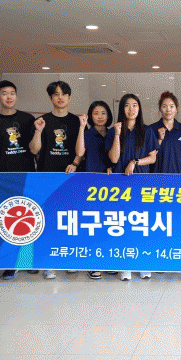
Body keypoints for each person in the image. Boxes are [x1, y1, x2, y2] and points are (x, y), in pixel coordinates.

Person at [0, 80, 36, 280]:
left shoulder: (27, 119)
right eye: (4, 93)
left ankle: (27, 260)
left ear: (16, 95)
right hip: (0, 179)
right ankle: (10, 263)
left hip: (25, 176)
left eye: (12, 93)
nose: (9, 97)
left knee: (29, 218)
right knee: (7, 221)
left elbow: (35, 149)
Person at [29, 81, 84, 279]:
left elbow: (81, 151)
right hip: (47, 176)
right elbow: (34, 150)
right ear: (51, 97)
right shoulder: (42, 121)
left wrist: (75, 163)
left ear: (69, 97)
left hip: (70, 178)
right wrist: (38, 131)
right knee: (49, 219)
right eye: (56, 94)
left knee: (70, 219)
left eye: (64, 94)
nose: (60, 98)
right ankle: (49, 262)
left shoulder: (76, 121)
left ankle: (69, 258)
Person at [106, 93, 158, 281]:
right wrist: (117, 134)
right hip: (120, 184)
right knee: (123, 224)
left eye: (135, 105)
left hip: (141, 183)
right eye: (127, 105)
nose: (131, 109)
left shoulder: (147, 131)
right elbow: (113, 159)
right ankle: (125, 265)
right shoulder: (114, 131)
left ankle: (143, 263)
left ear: (139, 108)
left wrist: (135, 162)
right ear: (122, 109)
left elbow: (152, 157)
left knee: (142, 224)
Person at [76, 101, 113, 280]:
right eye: (96, 113)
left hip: (111, 184)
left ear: (108, 115)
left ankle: (108, 260)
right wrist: (81, 127)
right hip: (91, 183)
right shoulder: (87, 133)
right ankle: (93, 263)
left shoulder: (114, 132)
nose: (100, 116)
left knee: (109, 224)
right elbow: (79, 152)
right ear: (90, 116)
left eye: (103, 113)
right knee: (93, 224)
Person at [150, 91, 181, 174]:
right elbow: (149, 156)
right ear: (160, 109)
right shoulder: (151, 129)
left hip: (178, 177)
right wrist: (159, 140)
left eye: (171, 106)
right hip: (156, 176)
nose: (168, 110)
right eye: (164, 106)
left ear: (176, 109)